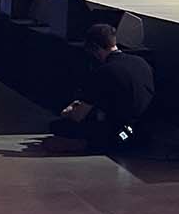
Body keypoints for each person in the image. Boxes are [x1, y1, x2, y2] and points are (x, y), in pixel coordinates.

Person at [47, 20, 155, 152]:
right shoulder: (141, 62)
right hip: (142, 130)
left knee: (58, 126)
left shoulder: (103, 72)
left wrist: (68, 111)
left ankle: (88, 145)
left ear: (95, 49)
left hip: (119, 134)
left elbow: (78, 116)